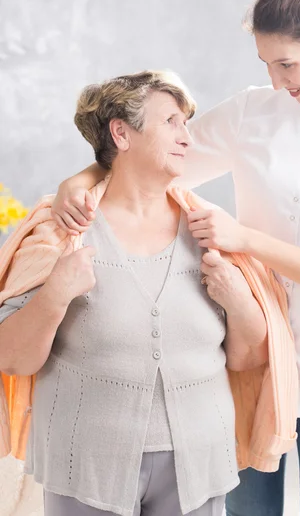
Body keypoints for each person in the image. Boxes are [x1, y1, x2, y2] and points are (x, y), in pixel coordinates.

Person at [51, 0, 300, 516]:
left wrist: (244, 239)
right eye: (265, 64)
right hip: (249, 353)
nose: (275, 80)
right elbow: (155, 157)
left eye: (287, 65)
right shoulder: (251, 113)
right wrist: (84, 175)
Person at [0, 71, 270, 516]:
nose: (187, 136)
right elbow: (11, 358)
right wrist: (54, 295)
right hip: (84, 466)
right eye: (171, 122)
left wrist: (237, 295)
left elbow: (248, 358)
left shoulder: (210, 228)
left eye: (187, 123)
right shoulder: (61, 232)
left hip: (198, 468)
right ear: (121, 133)